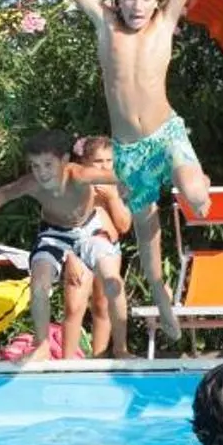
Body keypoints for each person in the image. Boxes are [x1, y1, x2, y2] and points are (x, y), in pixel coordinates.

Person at [55, 0, 210, 343]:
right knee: (147, 241)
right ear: (116, 1)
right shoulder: (106, 26)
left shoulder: (164, 24)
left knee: (196, 199)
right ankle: (163, 301)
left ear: (156, 0)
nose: (137, 5)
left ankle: (199, 184)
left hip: (167, 135)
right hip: (129, 151)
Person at [0, 129, 109, 363]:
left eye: (47, 165)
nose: (41, 173)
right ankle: (42, 345)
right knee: (39, 284)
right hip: (54, 233)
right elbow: (4, 194)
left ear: (64, 161)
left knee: (89, 294)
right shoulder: (33, 183)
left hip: (87, 232)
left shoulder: (81, 175)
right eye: (35, 166)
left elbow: (117, 176)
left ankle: (105, 352)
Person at [71, 134, 133, 356]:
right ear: (84, 164)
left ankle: (108, 352)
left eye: (109, 161)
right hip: (78, 248)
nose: (105, 167)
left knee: (103, 304)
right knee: (75, 304)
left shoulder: (118, 185)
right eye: (99, 162)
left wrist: (112, 198)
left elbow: (124, 225)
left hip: (108, 248)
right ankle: (68, 360)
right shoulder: (76, 184)